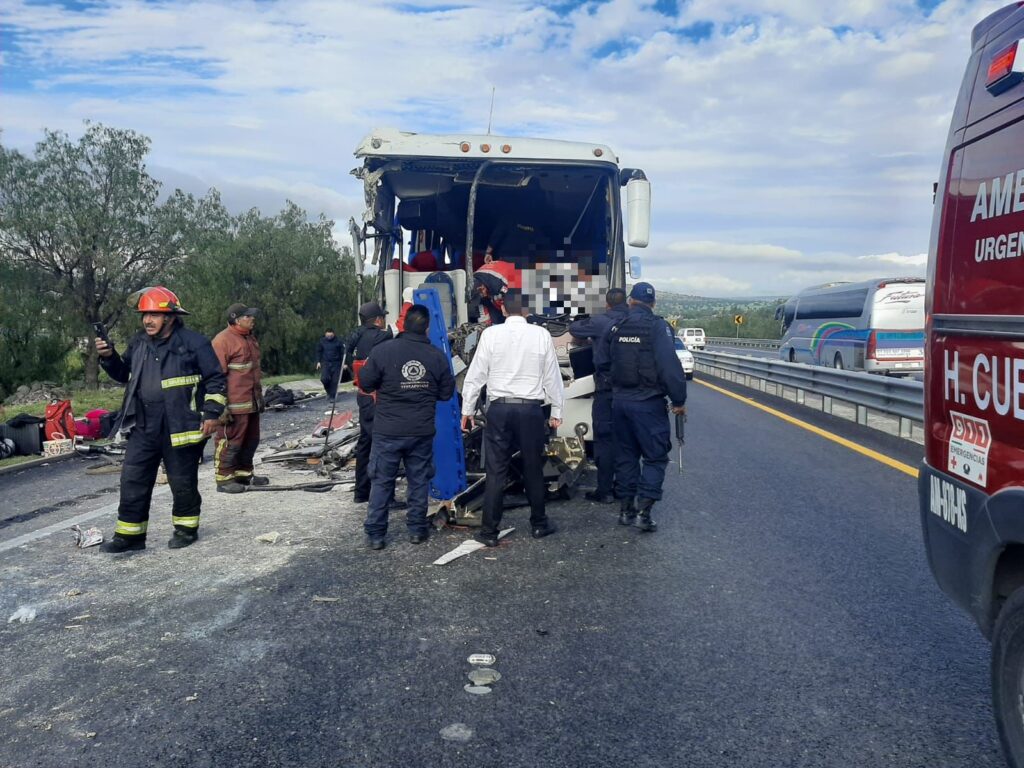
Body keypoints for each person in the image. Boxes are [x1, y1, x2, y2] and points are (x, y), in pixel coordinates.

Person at [95, 286, 227, 552]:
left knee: (182, 480)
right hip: (143, 424)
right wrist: (108, 357)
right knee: (133, 477)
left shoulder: (194, 343)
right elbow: (124, 375)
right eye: (145, 315)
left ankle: (186, 529)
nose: (148, 320)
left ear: (170, 317)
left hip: (179, 424)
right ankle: (130, 536)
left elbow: (216, 380)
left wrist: (212, 413)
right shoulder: (139, 342)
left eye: (154, 314)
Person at [461, 289, 564, 547]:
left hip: (499, 410)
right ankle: (539, 524)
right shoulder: (541, 335)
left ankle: (489, 532)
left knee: (496, 470)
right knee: (533, 467)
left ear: (503, 309)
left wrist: (467, 411)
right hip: (530, 410)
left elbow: (476, 375)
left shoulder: (491, 334)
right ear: (527, 311)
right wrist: (557, 412)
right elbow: (553, 376)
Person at [358, 305, 455, 550]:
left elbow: (366, 383)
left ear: (403, 325)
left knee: (382, 481)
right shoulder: (437, 356)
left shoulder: (382, 351)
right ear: (427, 328)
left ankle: (376, 535)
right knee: (419, 480)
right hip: (420, 430)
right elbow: (446, 394)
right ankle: (416, 530)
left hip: (388, 430)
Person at [597, 282, 687, 533]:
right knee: (655, 457)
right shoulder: (658, 327)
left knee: (626, 457)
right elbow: (670, 367)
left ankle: (626, 511)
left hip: (620, 402)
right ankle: (643, 514)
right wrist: (678, 401)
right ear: (653, 303)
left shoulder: (616, 326)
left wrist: (616, 384)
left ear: (631, 301)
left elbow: (601, 361)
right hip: (648, 403)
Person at [569, 287, 629, 503]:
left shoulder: (602, 321)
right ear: (627, 302)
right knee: (628, 441)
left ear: (607, 304)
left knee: (605, 439)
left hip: (606, 390)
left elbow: (575, 328)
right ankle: (625, 489)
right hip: (634, 393)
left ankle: (604, 491)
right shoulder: (636, 321)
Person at [211, 303, 266, 493]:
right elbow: (215, 376)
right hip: (233, 405)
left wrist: (259, 398)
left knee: (251, 440)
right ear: (236, 319)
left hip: (251, 402)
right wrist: (220, 406)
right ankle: (224, 478)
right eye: (248, 317)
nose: (253, 319)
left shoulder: (249, 338)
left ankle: (243, 474)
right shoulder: (223, 340)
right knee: (230, 441)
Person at [345, 301, 393, 503]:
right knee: (383, 444)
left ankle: (361, 492)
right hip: (377, 397)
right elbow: (397, 332)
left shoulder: (356, 337)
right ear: (379, 319)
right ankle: (384, 497)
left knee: (366, 442)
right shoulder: (380, 336)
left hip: (363, 396)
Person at [316, 328, 345, 400]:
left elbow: (343, 353)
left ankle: (332, 397)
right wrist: (318, 361)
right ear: (325, 334)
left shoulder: (339, 341)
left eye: (331, 336)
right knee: (324, 379)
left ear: (333, 334)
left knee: (335, 381)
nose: (329, 337)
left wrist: (344, 363)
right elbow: (319, 351)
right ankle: (328, 391)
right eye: (327, 336)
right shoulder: (322, 341)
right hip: (325, 363)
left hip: (336, 363)